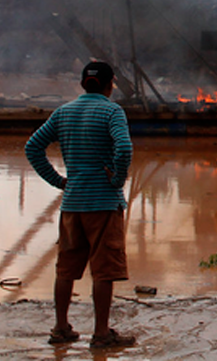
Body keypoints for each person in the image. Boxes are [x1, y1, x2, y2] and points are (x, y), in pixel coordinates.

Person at [25, 61, 136, 349]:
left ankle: (61, 328)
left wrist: (59, 181)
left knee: (66, 268)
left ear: (82, 83)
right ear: (111, 83)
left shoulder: (64, 112)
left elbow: (32, 147)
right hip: (103, 204)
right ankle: (101, 334)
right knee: (104, 270)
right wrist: (117, 179)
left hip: (73, 203)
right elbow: (124, 148)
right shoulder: (112, 111)